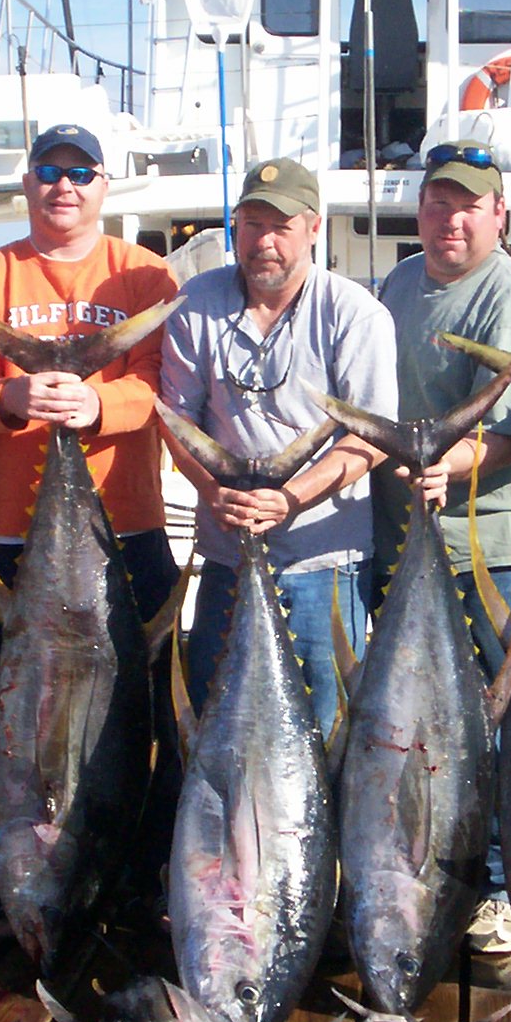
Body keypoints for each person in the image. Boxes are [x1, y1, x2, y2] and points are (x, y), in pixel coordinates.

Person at [0, 124, 181, 905]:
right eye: (49, 171)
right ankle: (1, 866)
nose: (64, 186)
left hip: (127, 526)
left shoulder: (145, 275)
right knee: (10, 716)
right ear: (28, 184)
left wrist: (98, 404)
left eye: (81, 173)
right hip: (8, 538)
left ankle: (139, 872)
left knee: (139, 708)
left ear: (104, 185)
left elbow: (160, 386)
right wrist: (11, 395)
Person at [376, 141, 511, 956]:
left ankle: (499, 886)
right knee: (416, 722)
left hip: (489, 549)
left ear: (499, 215)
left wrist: (445, 464)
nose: (451, 220)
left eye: (468, 206)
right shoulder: (400, 283)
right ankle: (425, 871)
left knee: (496, 719)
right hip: (409, 541)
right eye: (438, 204)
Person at [161, 156, 395, 731]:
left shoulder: (354, 313)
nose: (265, 242)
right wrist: (213, 490)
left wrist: (291, 498)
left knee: (325, 731)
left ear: (314, 229)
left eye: (281, 227)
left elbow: (373, 439)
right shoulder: (196, 303)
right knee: (218, 728)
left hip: (327, 565)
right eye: (252, 225)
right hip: (226, 559)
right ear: (235, 226)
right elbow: (175, 419)